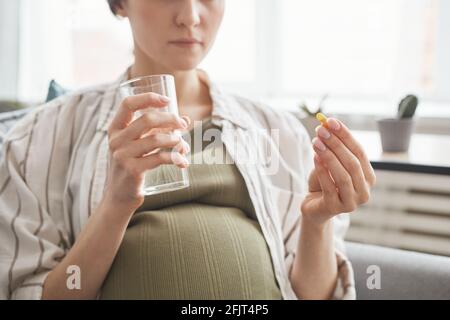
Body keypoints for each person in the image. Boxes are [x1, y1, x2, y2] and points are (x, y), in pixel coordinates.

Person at [0, 0, 375, 300]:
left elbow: (317, 295)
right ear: (120, 4)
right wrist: (115, 204)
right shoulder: (38, 138)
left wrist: (317, 221)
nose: (190, 16)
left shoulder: (281, 134)